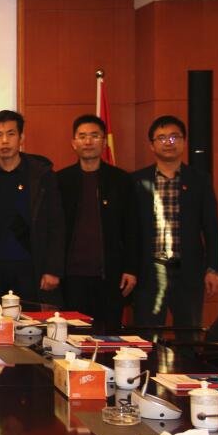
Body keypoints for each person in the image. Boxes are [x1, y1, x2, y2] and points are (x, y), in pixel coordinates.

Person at [133, 115, 218, 328]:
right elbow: (129, 230)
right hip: (149, 273)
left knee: (189, 334)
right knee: (147, 335)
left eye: (174, 137)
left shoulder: (199, 180)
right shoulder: (136, 180)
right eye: (162, 138)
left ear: (183, 142)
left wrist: (213, 268)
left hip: (188, 273)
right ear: (152, 145)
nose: (168, 143)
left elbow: (211, 227)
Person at [57, 115, 137, 330]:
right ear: (73, 143)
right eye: (82, 136)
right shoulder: (61, 180)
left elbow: (132, 228)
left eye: (94, 136)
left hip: (110, 277)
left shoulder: (122, 180)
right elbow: (53, 230)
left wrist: (130, 268)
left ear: (104, 142)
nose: (88, 141)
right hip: (71, 277)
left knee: (109, 337)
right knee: (73, 338)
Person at [0, 110, 64, 305]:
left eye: (11, 134)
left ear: (21, 138)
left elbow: (56, 224)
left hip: (32, 267)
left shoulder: (41, 176)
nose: (5, 141)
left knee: (31, 322)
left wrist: (53, 269)